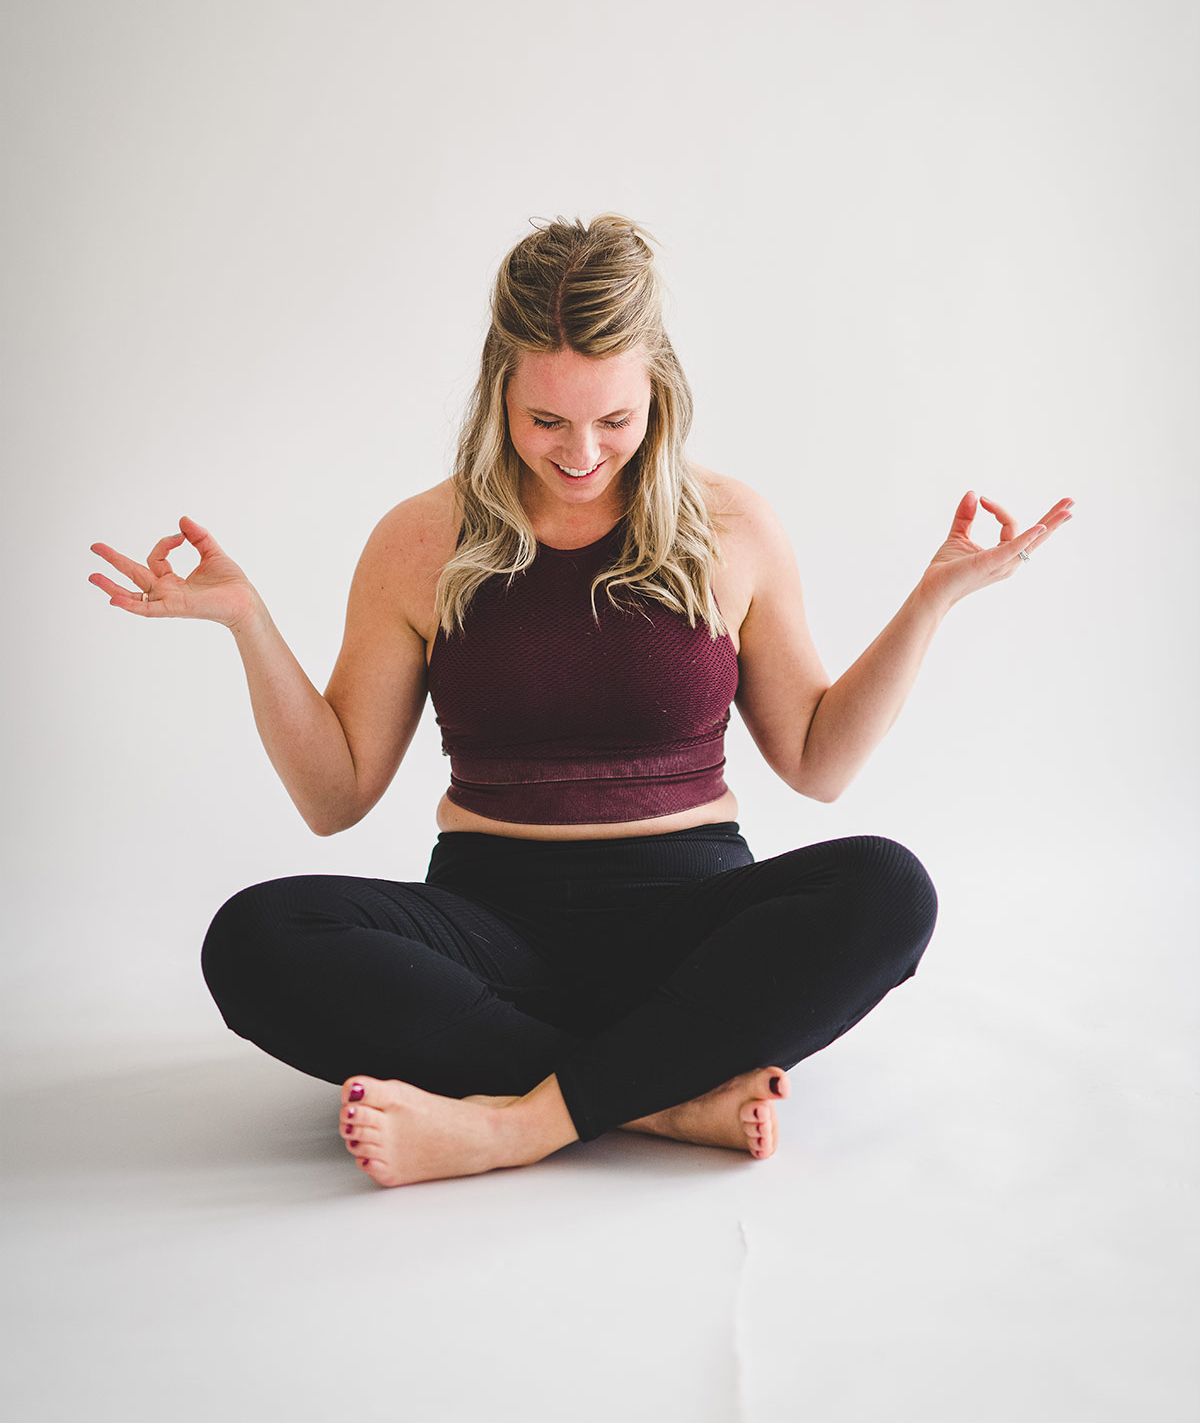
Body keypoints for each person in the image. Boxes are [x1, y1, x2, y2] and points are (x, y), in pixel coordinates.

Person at [88, 213, 1073, 1191]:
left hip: (689, 923)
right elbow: (334, 797)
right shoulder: (418, 541)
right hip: (492, 934)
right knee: (256, 941)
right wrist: (248, 623)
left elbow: (818, 764)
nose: (581, 454)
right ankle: (663, 1098)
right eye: (545, 420)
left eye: (616, 419)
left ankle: (512, 1126)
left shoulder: (733, 526)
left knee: (887, 890)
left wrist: (933, 598)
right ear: (498, 395)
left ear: (662, 395)